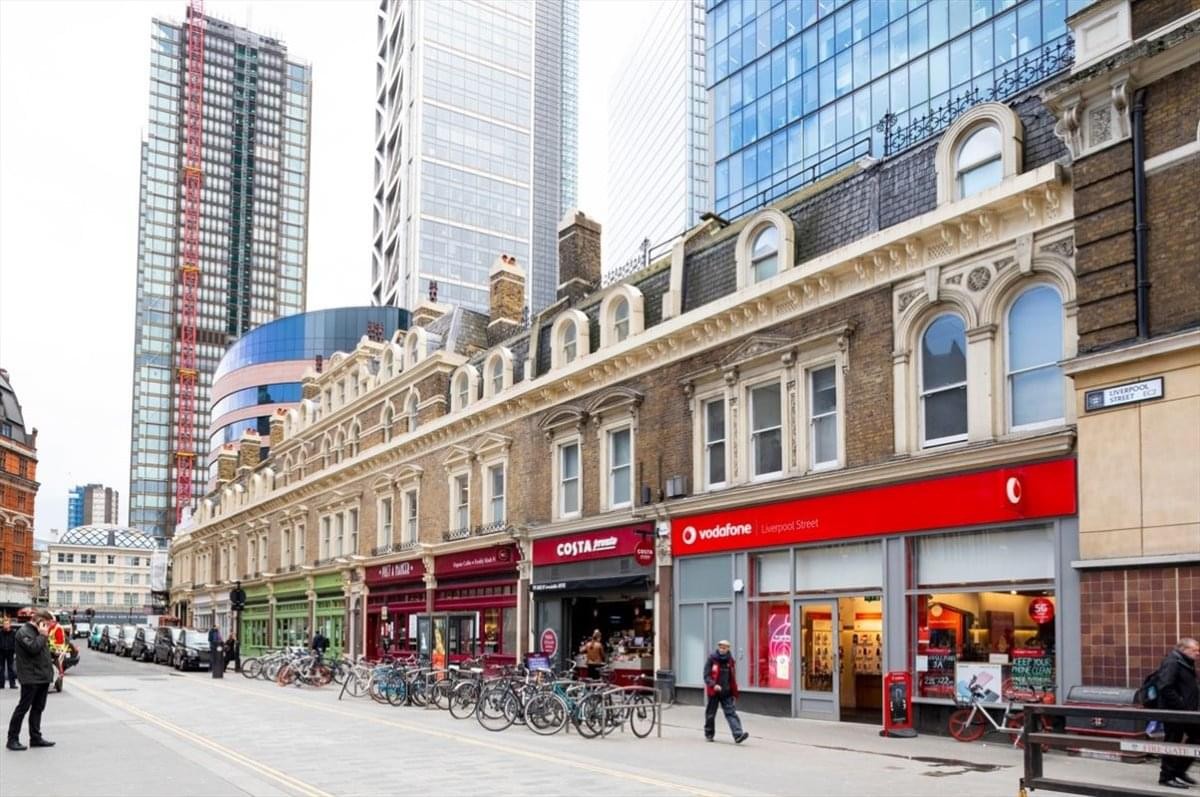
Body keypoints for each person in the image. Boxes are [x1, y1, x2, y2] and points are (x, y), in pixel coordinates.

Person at [6, 609, 56, 751]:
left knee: (38, 708)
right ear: (39, 620)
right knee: (23, 708)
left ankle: (35, 737)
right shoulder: (24, 632)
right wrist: (42, 635)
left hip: (42, 677)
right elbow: (33, 648)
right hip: (30, 677)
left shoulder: (40, 633)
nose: (49, 626)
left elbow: (41, 651)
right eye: (47, 623)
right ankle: (12, 739)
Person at [1156, 638, 1199, 789]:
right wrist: (1181, 707)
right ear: (1183, 649)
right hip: (1174, 712)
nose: (1198, 653)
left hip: (1186, 712)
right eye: (1195, 650)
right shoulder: (1172, 662)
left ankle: (1179, 771)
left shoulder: (1185, 662)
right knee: (1173, 741)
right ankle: (1166, 777)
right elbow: (1165, 687)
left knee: (1197, 736)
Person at [703, 640, 748, 744]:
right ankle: (709, 734)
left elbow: (731, 677)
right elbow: (706, 676)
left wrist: (732, 690)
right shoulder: (712, 659)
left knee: (731, 713)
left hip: (726, 692)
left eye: (724, 648)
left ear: (728, 649)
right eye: (721, 647)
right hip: (714, 691)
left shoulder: (730, 661)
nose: (722, 650)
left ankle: (738, 735)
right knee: (711, 713)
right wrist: (714, 685)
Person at [0, 617, 17, 689]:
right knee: (1, 668)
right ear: (3, 625)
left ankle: (12, 684)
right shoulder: (0, 633)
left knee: (11, 668)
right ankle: (1, 684)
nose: (6, 625)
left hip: (10, 651)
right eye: (4, 624)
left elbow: (15, 642)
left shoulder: (13, 633)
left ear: (10, 624)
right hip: (1, 652)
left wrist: (14, 651)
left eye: (7, 624)